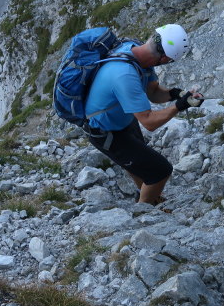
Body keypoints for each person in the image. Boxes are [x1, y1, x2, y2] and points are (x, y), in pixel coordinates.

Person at [84, 24, 203, 205]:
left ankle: (150, 196)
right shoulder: (124, 74)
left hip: (122, 119)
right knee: (160, 171)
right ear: (164, 57)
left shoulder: (136, 52)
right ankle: (144, 212)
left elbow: (153, 92)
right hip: (104, 131)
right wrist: (180, 106)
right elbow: (149, 122)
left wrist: (176, 94)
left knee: (140, 164)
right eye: (168, 61)